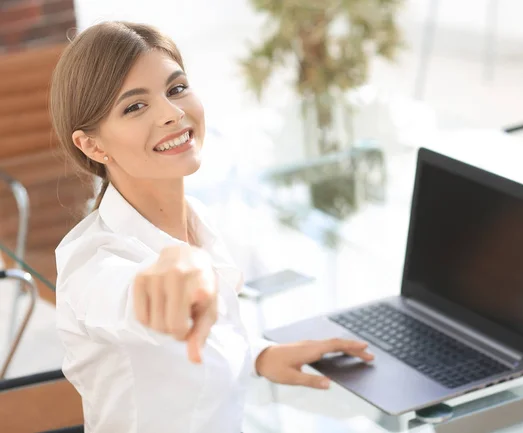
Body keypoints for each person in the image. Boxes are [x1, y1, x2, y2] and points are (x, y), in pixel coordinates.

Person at [49, 21, 374, 433]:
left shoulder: (198, 217)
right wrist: (182, 263)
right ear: (93, 145)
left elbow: (192, 349)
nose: (172, 113)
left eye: (176, 88)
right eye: (135, 106)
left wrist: (258, 356)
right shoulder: (91, 264)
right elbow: (135, 298)